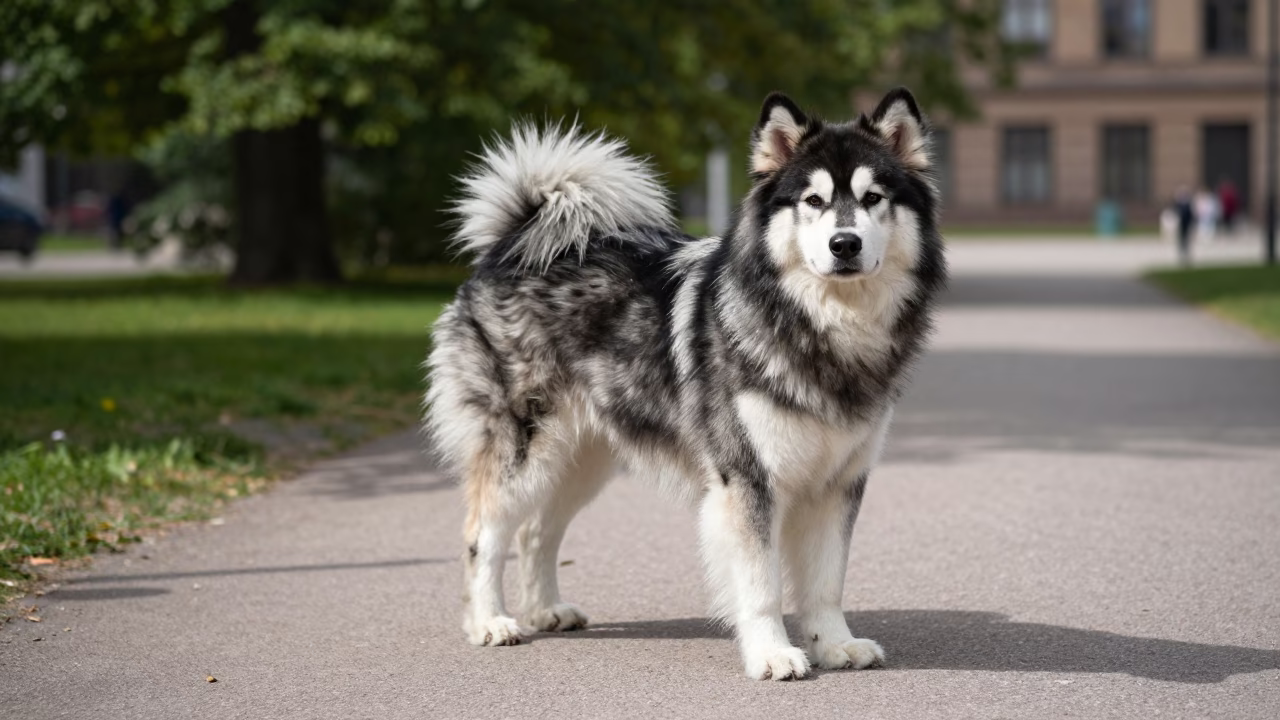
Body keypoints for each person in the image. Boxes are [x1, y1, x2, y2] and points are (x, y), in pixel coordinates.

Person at [1172, 185, 1195, 266]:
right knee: (1181, 239)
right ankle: (1181, 253)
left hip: (1187, 224)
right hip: (1180, 224)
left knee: (1187, 240)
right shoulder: (1178, 204)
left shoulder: (1188, 204)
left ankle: (1186, 253)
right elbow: (1175, 213)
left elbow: (1191, 215)